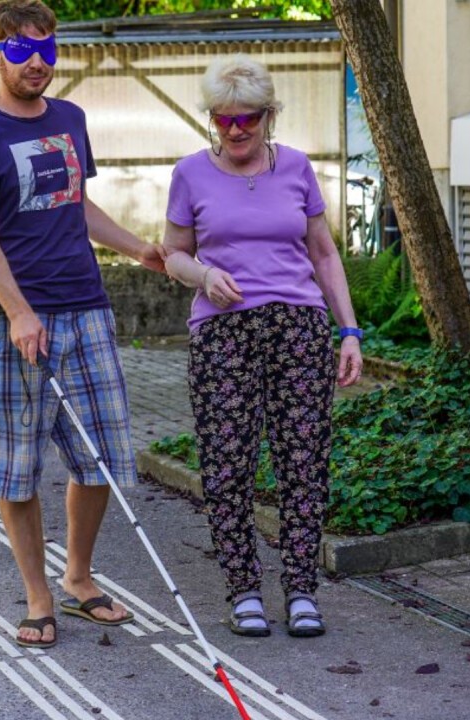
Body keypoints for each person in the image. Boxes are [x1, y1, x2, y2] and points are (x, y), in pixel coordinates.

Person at [0, 0, 165, 649]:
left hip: (87, 308)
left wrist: (137, 248)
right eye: (20, 50)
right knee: (17, 469)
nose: (36, 62)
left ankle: (78, 577)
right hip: (15, 320)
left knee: (100, 457)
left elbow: (78, 204)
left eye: (47, 49)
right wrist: (17, 311)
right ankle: (37, 596)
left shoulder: (70, 119)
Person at [161, 55, 363, 638]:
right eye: (223, 120)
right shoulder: (190, 174)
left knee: (303, 462)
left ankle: (300, 588)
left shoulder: (297, 168)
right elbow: (172, 252)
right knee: (228, 465)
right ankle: (243, 588)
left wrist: (348, 330)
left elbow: (324, 254)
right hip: (223, 332)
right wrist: (202, 276)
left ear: (269, 115)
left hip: (299, 329)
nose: (236, 131)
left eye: (247, 118)